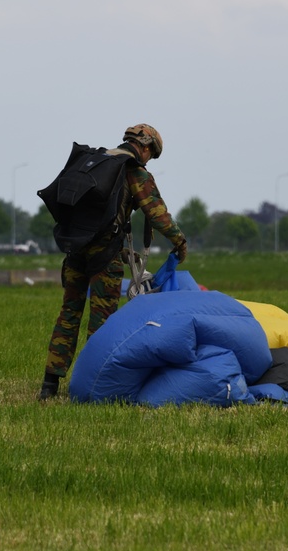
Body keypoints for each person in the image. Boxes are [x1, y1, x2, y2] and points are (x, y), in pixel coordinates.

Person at [39, 124, 188, 400]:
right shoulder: (132, 169)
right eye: (151, 154)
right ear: (144, 146)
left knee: (69, 313)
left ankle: (49, 385)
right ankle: (93, 386)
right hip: (102, 256)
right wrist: (179, 241)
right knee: (102, 322)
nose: (148, 159)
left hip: (75, 248)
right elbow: (156, 213)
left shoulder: (98, 160)